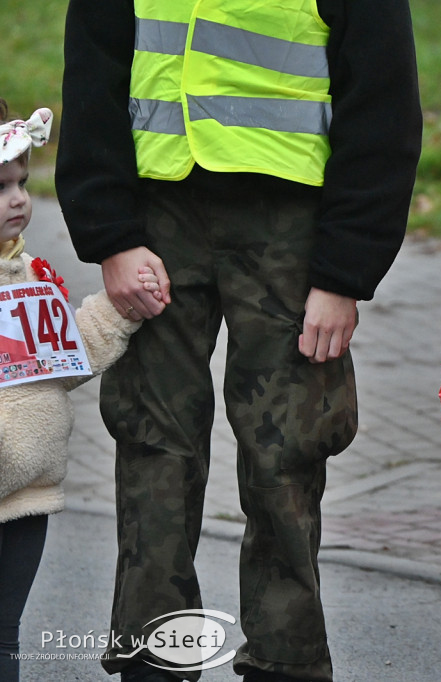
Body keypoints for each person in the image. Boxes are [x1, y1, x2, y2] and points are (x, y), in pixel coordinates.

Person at [54, 1, 422, 680]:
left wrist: (345, 272)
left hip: (290, 225)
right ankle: (152, 658)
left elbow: (383, 103)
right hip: (156, 215)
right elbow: (93, 74)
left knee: (286, 449)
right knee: (153, 443)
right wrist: (111, 235)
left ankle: (286, 661)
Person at [0, 100, 149, 681]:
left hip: (27, 495)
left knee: (5, 634)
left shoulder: (29, 272)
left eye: (21, 182)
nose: (18, 200)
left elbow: (60, 359)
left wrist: (119, 309)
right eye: (0, 187)